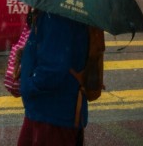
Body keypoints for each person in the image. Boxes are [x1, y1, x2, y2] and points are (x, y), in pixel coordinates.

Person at [17, 10, 89, 146]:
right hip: (47, 111)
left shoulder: (57, 15)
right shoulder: (57, 10)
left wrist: (28, 87)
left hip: (52, 114)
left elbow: (53, 69)